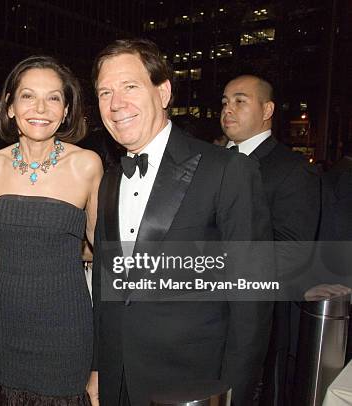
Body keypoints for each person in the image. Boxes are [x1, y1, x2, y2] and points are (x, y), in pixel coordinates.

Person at [91, 39, 273, 406]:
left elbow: (252, 299)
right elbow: (105, 281)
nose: (115, 104)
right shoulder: (110, 179)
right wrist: (99, 367)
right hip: (117, 380)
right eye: (104, 92)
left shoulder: (228, 170)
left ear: (163, 92)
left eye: (130, 86)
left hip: (193, 384)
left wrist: (233, 394)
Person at [0, 55, 103, 404]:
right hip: (4, 320)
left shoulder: (86, 165)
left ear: (65, 110)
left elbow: (103, 253)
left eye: (54, 97)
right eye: (28, 96)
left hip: (66, 325)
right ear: (10, 106)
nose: (40, 108)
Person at [221, 74, 322, 405]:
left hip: (258, 322)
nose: (228, 109)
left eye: (240, 100)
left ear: (267, 109)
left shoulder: (291, 169)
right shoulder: (210, 162)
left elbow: (291, 252)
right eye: (224, 102)